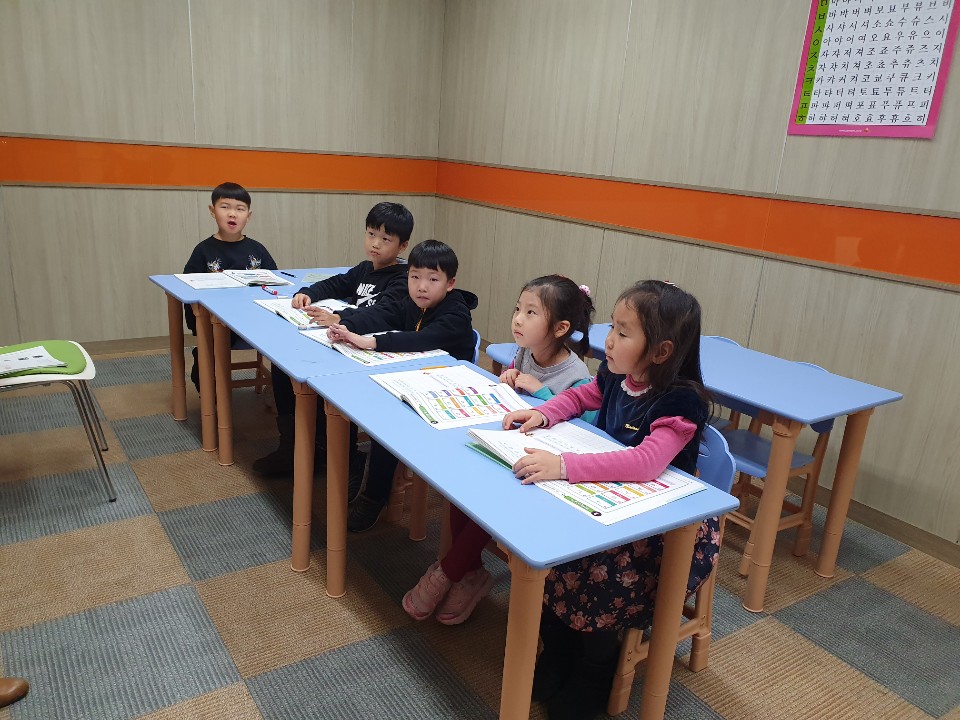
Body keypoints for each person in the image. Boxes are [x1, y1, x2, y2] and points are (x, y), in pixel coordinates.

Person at [504, 280, 718, 720]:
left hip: (657, 529)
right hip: (608, 498)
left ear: (660, 351)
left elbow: (646, 463)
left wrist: (564, 465)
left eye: (623, 332)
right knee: (553, 549)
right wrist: (545, 412)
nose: (609, 340)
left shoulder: (681, 400)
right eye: (612, 327)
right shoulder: (617, 375)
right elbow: (581, 396)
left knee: (600, 577)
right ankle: (559, 649)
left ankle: (594, 669)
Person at [402, 274, 596, 626]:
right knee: (462, 481)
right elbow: (512, 396)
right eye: (518, 309)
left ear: (560, 328)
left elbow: (587, 429)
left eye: (531, 313)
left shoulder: (577, 374)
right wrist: (507, 378)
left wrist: (541, 392)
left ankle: (449, 571)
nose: (517, 319)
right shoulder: (525, 352)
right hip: (511, 447)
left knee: (490, 498)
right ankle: (470, 572)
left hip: (543, 472)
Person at [252, 202, 414, 483]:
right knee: (283, 364)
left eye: (386, 239)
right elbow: (335, 283)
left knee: (331, 386)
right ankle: (293, 445)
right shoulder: (364, 269)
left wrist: (340, 317)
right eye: (371, 234)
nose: (375, 243)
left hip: (371, 352)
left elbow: (383, 314)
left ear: (402, 246)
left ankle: (343, 456)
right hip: (344, 342)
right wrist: (307, 293)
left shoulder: (402, 279)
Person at [326, 239, 478, 532]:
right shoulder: (411, 303)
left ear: (450, 283)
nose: (422, 286)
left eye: (432, 279)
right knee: (351, 398)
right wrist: (347, 326)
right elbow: (383, 314)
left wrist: (372, 342)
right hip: (409, 382)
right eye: (415, 277)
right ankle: (352, 464)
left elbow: (422, 339)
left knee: (386, 424)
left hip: (447, 394)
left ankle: (375, 495)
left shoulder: (456, 312)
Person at [182, 182, 277, 391]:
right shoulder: (203, 250)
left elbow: (273, 279)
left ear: (248, 216)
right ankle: (211, 396)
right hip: (218, 324)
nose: (232, 214)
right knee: (207, 354)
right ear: (212, 211)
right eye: (225, 207)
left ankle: (281, 392)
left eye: (240, 209)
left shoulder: (257, 249)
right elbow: (187, 289)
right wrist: (197, 327)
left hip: (254, 320)